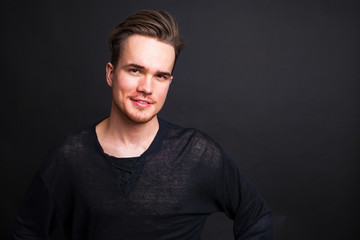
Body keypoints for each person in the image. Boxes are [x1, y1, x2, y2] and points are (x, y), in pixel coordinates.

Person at [11, 10, 273, 239]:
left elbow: (256, 217)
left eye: (160, 75)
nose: (146, 88)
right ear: (111, 74)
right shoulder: (69, 157)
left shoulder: (198, 154)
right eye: (135, 70)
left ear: (169, 81)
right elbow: (27, 231)